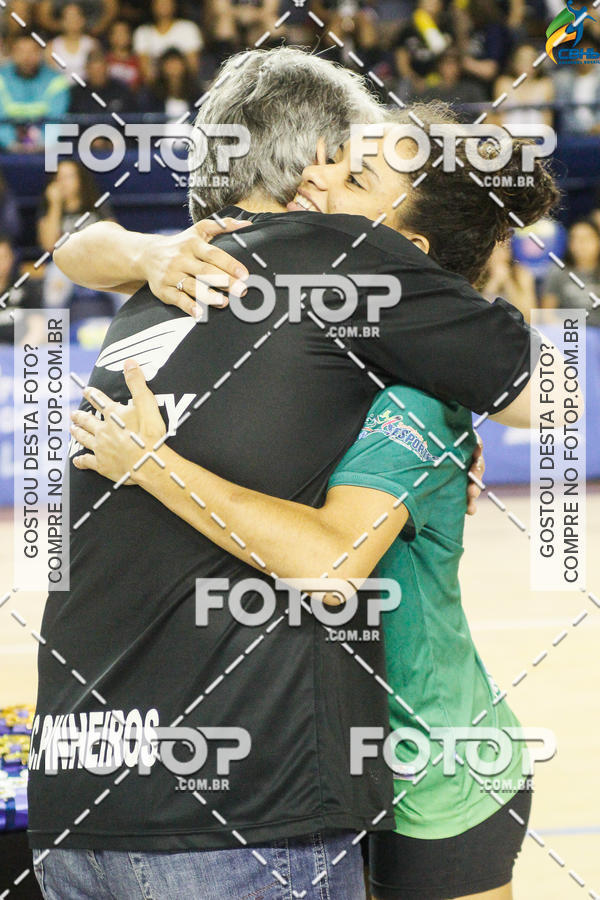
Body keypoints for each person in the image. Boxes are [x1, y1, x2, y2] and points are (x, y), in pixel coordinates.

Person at [29, 50, 557, 899]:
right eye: (337, 160)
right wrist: (140, 246)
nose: (325, 184)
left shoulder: (185, 287)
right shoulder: (267, 269)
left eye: (352, 175)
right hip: (253, 812)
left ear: (408, 250)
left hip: (110, 803)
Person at [37, 160, 121, 327]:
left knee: (126, 282)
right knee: (55, 282)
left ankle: (128, 334)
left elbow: (117, 237)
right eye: (58, 178)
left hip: (99, 263)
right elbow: (48, 245)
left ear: (80, 180)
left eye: (68, 177)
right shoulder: (49, 209)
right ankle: (55, 338)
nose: (63, 183)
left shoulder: (97, 206)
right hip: (65, 266)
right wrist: (55, 205)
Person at [0, 35, 69, 151]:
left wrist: (42, 144)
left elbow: (56, 119)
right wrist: (11, 143)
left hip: (45, 150)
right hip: (5, 149)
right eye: (21, 51)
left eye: (32, 51)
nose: (26, 57)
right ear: (12, 54)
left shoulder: (56, 80)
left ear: (40, 54)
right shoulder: (1, 78)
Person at [541, 218, 600, 327]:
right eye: (575, 238)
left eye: (586, 238)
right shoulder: (557, 271)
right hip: (568, 332)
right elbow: (546, 314)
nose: (581, 244)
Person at [133, 0, 203, 83]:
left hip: (186, 86)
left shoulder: (189, 28)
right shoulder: (142, 32)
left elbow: (193, 67)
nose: (163, 6)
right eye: (159, 3)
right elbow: (145, 70)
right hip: (155, 88)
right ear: (152, 6)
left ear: (174, 4)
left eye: (167, 2)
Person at [0, 233, 44, 344]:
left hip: (20, 350)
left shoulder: (25, 286)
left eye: (3, 257)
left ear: (12, 258)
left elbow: (38, 324)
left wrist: (20, 353)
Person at [68, 48, 137, 116]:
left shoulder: (122, 91)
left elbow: (133, 119)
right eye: (94, 70)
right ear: (87, 69)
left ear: (107, 68)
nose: (98, 74)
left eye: (100, 69)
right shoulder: (76, 94)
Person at [481, 241, 537, 322]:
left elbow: (529, 317)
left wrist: (508, 282)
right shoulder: (478, 275)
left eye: (504, 249)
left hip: (518, 329)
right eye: (494, 251)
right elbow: (477, 313)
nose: (499, 255)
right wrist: (494, 283)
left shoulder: (521, 274)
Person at [46, 2, 98, 79]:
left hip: (85, 88)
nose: (72, 21)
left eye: (76, 17)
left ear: (83, 20)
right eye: (68, 17)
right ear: (61, 22)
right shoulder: (52, 47)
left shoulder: (92, 45)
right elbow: (49, 75)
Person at [105, 18, 142, 90]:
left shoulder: (138, 61)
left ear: (130, 36)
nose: (121, 36)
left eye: (124, 32)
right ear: (110, 37)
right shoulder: (105, 60)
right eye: (117, 33)